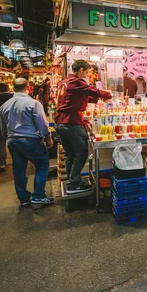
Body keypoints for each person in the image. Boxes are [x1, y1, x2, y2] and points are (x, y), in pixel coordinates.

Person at [55, 60, 112, 194]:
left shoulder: (65, 81)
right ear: (80, 70)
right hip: (71, 122)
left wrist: (98, 99)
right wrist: (107, 95)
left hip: (61, 122)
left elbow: (80, 96)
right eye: (86, 72)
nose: (86, 75)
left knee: (70, 153)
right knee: (81, 153)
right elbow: (91, 90)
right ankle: (74, 183)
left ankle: (71, 180)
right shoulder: (75, 82)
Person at [0, 78, 54, 207]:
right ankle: (38, 196)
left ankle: (24, 199)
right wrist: (47, 137)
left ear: (13, 88)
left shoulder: (4, 106)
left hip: (12, 141)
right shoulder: (33, 103)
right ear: (28, 87)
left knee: (19, 170)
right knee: (42, 165)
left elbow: (2, 129)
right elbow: (42, 123)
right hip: (30, 140)